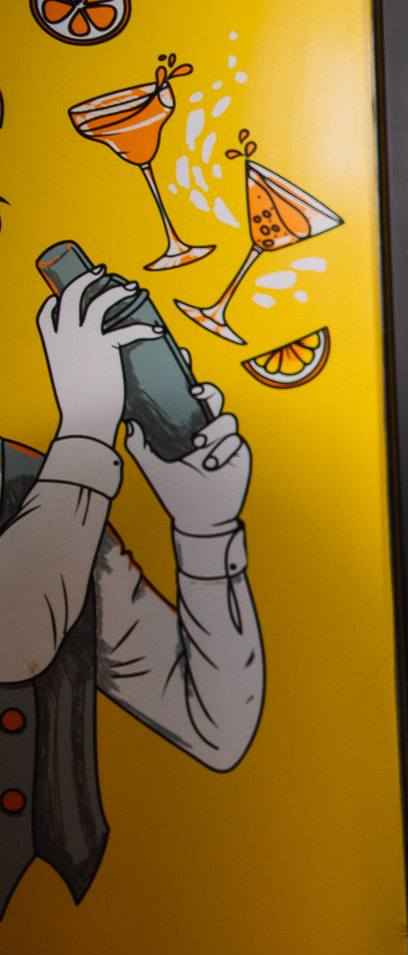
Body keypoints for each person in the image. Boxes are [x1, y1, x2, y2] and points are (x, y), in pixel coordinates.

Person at [3, 268, 263, 919]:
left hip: (64, 916)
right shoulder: (68, 480)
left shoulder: (41, 486)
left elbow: (213, 725)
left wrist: (205, 527)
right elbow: (16, 639)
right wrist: (85, 430)